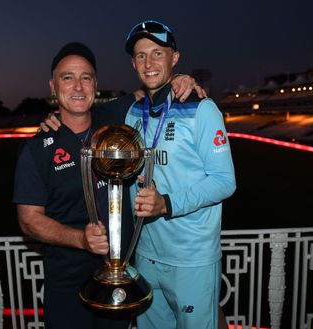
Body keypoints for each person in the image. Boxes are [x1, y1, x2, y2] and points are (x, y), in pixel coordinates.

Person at [14, 42, 204, 329]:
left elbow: (152, 89)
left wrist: (180, 79)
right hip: (68, 286)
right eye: (67, 78)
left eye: (86, 77)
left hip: (124, 279)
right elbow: (28, 221)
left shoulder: (117, 116)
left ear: (96, 85)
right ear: (53, 86)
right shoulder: (37, 148)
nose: (78, 87)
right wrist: (80, 239)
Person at [124, 20, 236, 329]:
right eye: (141, 55)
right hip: (145, 253)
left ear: (175, 58)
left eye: (158, 53)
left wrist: (167, 204)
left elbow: (225, 181)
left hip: (191, 259)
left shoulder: (202, 108)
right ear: (133, 63)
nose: (149, 62)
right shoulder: (133, 112)